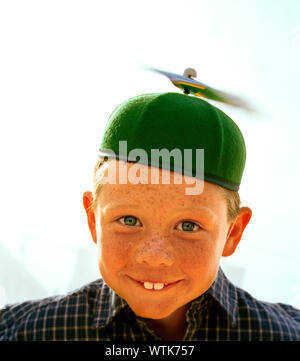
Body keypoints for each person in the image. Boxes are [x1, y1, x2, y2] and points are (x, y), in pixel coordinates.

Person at [1, 92, 300, 341]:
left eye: (188, 226)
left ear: (232, 233)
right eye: (129, 220)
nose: (155, 256)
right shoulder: (23, 333)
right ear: (93, 219)